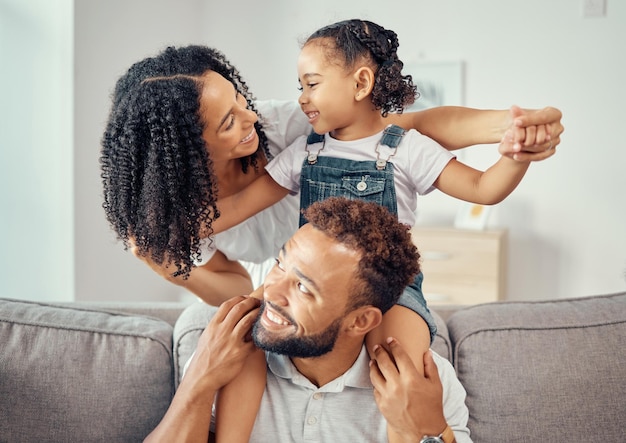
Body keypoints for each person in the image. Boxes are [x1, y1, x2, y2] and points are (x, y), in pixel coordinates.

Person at [209, 19, 557, 442]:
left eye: (312, 84)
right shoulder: (305, 152)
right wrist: (165, 225)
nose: (301, 98)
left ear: (360, 83)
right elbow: (239, 207)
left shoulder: (406, 148)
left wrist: (516, 156)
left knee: (398, 370)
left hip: (392, 288)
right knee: (245, 333)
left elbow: (483, 189)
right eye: (299, 86)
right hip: (309, 281)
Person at [100, 45, 564, 306]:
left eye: (240, 99)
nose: (250, 118)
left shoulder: (286, 128)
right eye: (228, 122)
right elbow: (237, 287)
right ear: (183, 154)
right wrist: (167, 266)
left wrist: (512, 126)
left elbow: (409, 127)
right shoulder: (176, 211)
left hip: (356, 268)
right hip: (285, 284)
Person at [144, 197, 471, 443]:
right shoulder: (224, 359)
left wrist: (433, 430)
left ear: (360, 321)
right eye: (280, 264)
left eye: (303, 287)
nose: (272, 291)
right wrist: (199, 379)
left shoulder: (424, 384)